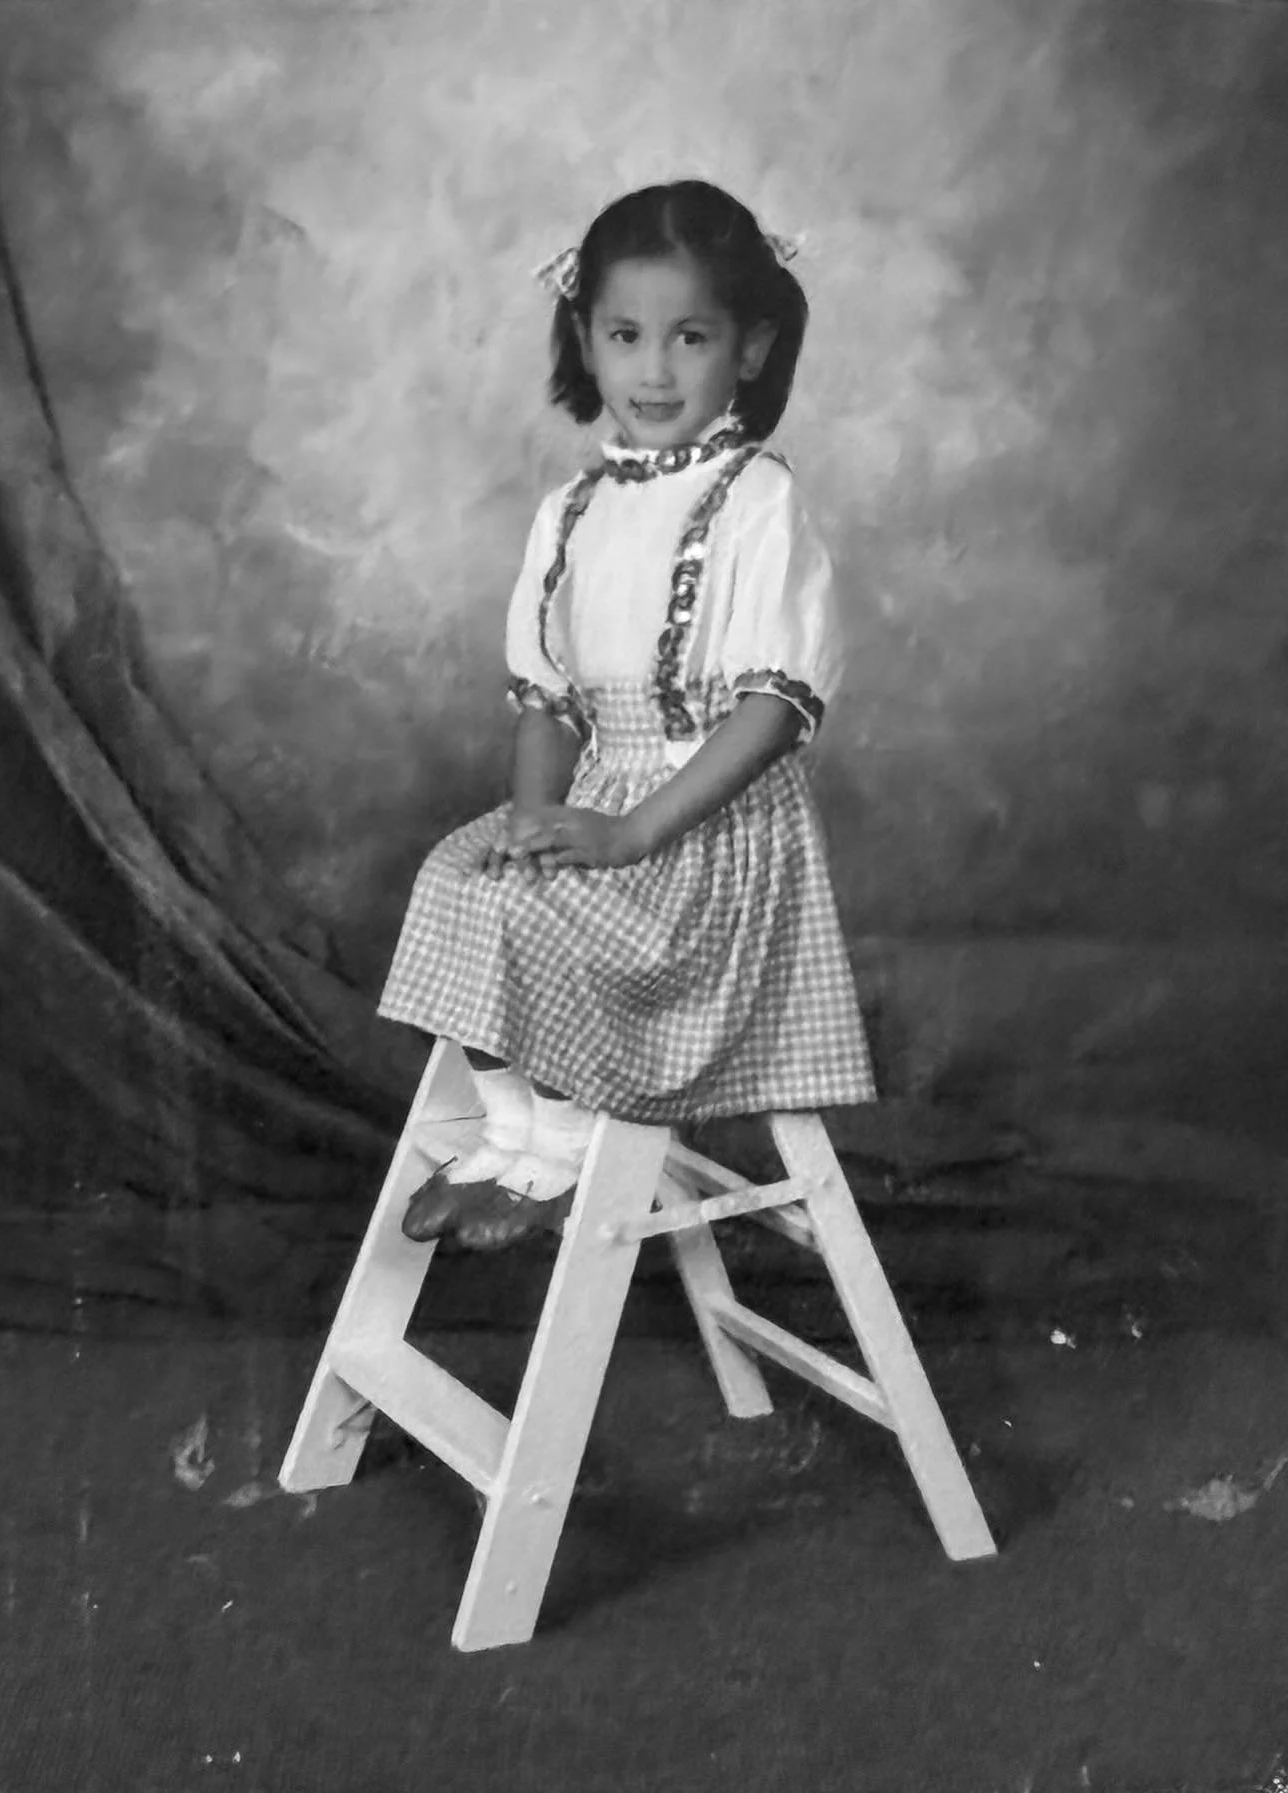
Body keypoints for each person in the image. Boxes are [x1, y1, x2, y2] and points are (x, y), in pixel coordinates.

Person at [378, 178, 875, 1250]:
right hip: (604, 805)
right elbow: (546, 697)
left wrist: (628, 832)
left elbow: (774, 710)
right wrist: (534, 822)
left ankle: (559, 1146)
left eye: (688, 336)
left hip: (705, 836)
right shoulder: (572, 511)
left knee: (533, 914)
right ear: (585, 340)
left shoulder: (754, 499)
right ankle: (511, 1131)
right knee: (463, 880)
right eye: (625, 334)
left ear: (747, 347)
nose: (652, 370)